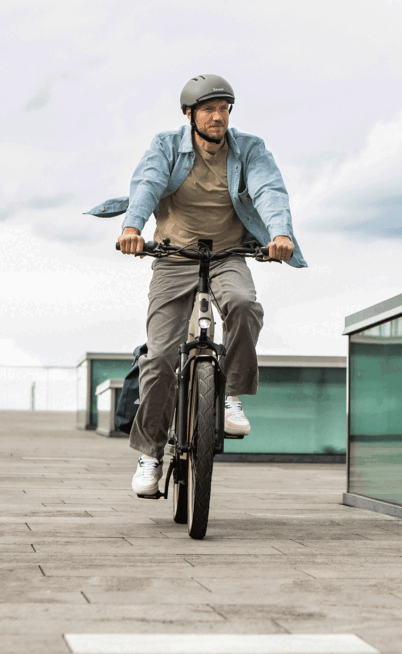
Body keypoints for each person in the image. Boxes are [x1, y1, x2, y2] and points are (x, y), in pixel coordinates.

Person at [86, 74, 306, 497]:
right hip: (173, 255)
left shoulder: (250, 149)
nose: (217, 116)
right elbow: (148, 185)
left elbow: (269, 190)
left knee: (243, 305)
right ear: (189, 115)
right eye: (208, 110)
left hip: (228, 254)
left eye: (224, 109)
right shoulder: (167, 146)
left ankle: (231, 396)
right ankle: (149, 454)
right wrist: (132, 227)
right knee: (159, 357)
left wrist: (280, 234)